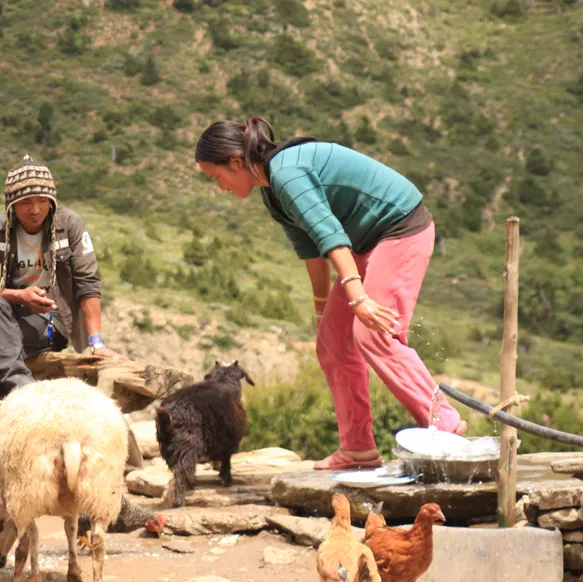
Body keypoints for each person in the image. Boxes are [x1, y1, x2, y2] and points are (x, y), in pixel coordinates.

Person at [194, 117, 467, 470]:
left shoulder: (287, 174)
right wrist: (323, 311)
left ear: (234, 161)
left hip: (401, 229)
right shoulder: (272, 192)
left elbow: (330, 235)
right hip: (363, 245)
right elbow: (311, 250)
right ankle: (358, 449)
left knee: (373, 332)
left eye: (217, 178)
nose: (221, 188)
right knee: (333, 342)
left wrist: (359, 300)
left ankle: (444, 423)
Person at [0, 155, 124, 471]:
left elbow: (88, 283)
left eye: (41, 201)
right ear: (12, 204)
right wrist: (14, 295)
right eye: (26, 202)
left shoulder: (69, 225)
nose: (35, 209)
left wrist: (96, 341)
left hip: (51, 322)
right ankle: (30, 400)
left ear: (51, 200)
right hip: (9, 315)